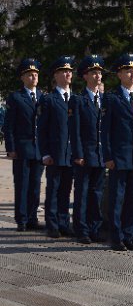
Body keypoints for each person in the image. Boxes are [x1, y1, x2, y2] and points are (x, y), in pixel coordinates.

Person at [102, 53, 133, 251]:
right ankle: (116, 237)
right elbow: (104, 131)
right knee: (117, 199)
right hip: (119, 158)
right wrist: (108, 156)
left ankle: (129, 236)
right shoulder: (111, 98)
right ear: (119, 74)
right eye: (128, 70)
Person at [3, 58, 45, 232]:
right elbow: (9, 125)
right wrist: (11, 148)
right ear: (23, 77)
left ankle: (32, 217)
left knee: (35, 185)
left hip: (39, 149)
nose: (33, 77)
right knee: (22, 185)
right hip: (21, 148)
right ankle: (21, 219)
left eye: (35, 74)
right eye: (29, 74)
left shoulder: (43, 96)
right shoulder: (16, 97)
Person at [70, 55, 107, 244]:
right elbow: (74, 131)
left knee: (96, 194)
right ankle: (81, 229)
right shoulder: (78, 100)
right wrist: (77, 154)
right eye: (93, 72)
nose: (98, 76)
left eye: (99, 73)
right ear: (85, 76)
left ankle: (94, 228)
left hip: (100, 156)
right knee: (82, 193)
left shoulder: (105, 100)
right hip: (84, 155)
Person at [38, 56, 76, 238]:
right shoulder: (49, 99)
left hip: (71, 154)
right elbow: (42, 129)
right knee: (53, 189)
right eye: (64, 71)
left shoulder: (76, 99)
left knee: (66, 190)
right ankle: (52, 224)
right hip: (54, 153)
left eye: (70, 71)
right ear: (56, 75)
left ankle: (63, 222)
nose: (69, 74)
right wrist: (44, 153)